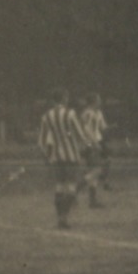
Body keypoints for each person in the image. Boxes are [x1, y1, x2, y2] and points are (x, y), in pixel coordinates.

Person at [38, 89, 93, 229]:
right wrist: (89, 146)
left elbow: (41, 140)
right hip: (71, 156)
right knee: (71, 186)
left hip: (55, 157)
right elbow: (80, 133)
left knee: (59, 186)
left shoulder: (47, 116)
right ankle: (63, 218)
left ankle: (60, 219)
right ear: (64, 99)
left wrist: (47, 154)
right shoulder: (70, 113)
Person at [79, 93, 111, 205]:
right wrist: (93, 142)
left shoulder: (97, 112)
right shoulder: (87, 113)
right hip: (91, 143)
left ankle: (92, 200)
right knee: (95, 170)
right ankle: (77, 188)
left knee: (98, 168)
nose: (100, 102)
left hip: (98, 141)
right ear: (94, 101)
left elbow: (102, 127)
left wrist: (110, 128)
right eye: (99, 100)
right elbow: (86, 129)